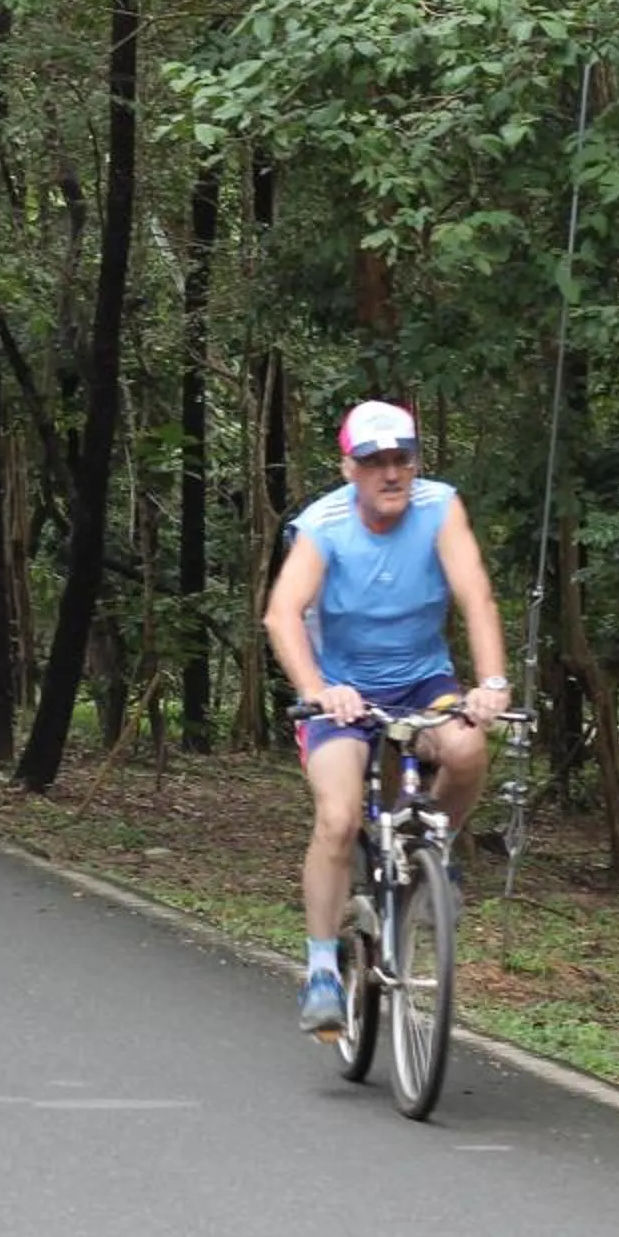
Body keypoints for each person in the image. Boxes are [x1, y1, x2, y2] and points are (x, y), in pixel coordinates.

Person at [260, 400, 512, 1036]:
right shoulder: (324, 525)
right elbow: (281, 614)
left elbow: (475, 594)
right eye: (375, 462)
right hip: (342, 693)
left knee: (467, 750)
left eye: (402, 459)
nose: (392, 474)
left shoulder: (439, 507)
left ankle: (436, 851)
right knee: (340, 817)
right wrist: (318, 689)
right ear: (350, 468)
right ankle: (321, 968)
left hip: (423, 682)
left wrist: (491, 683)